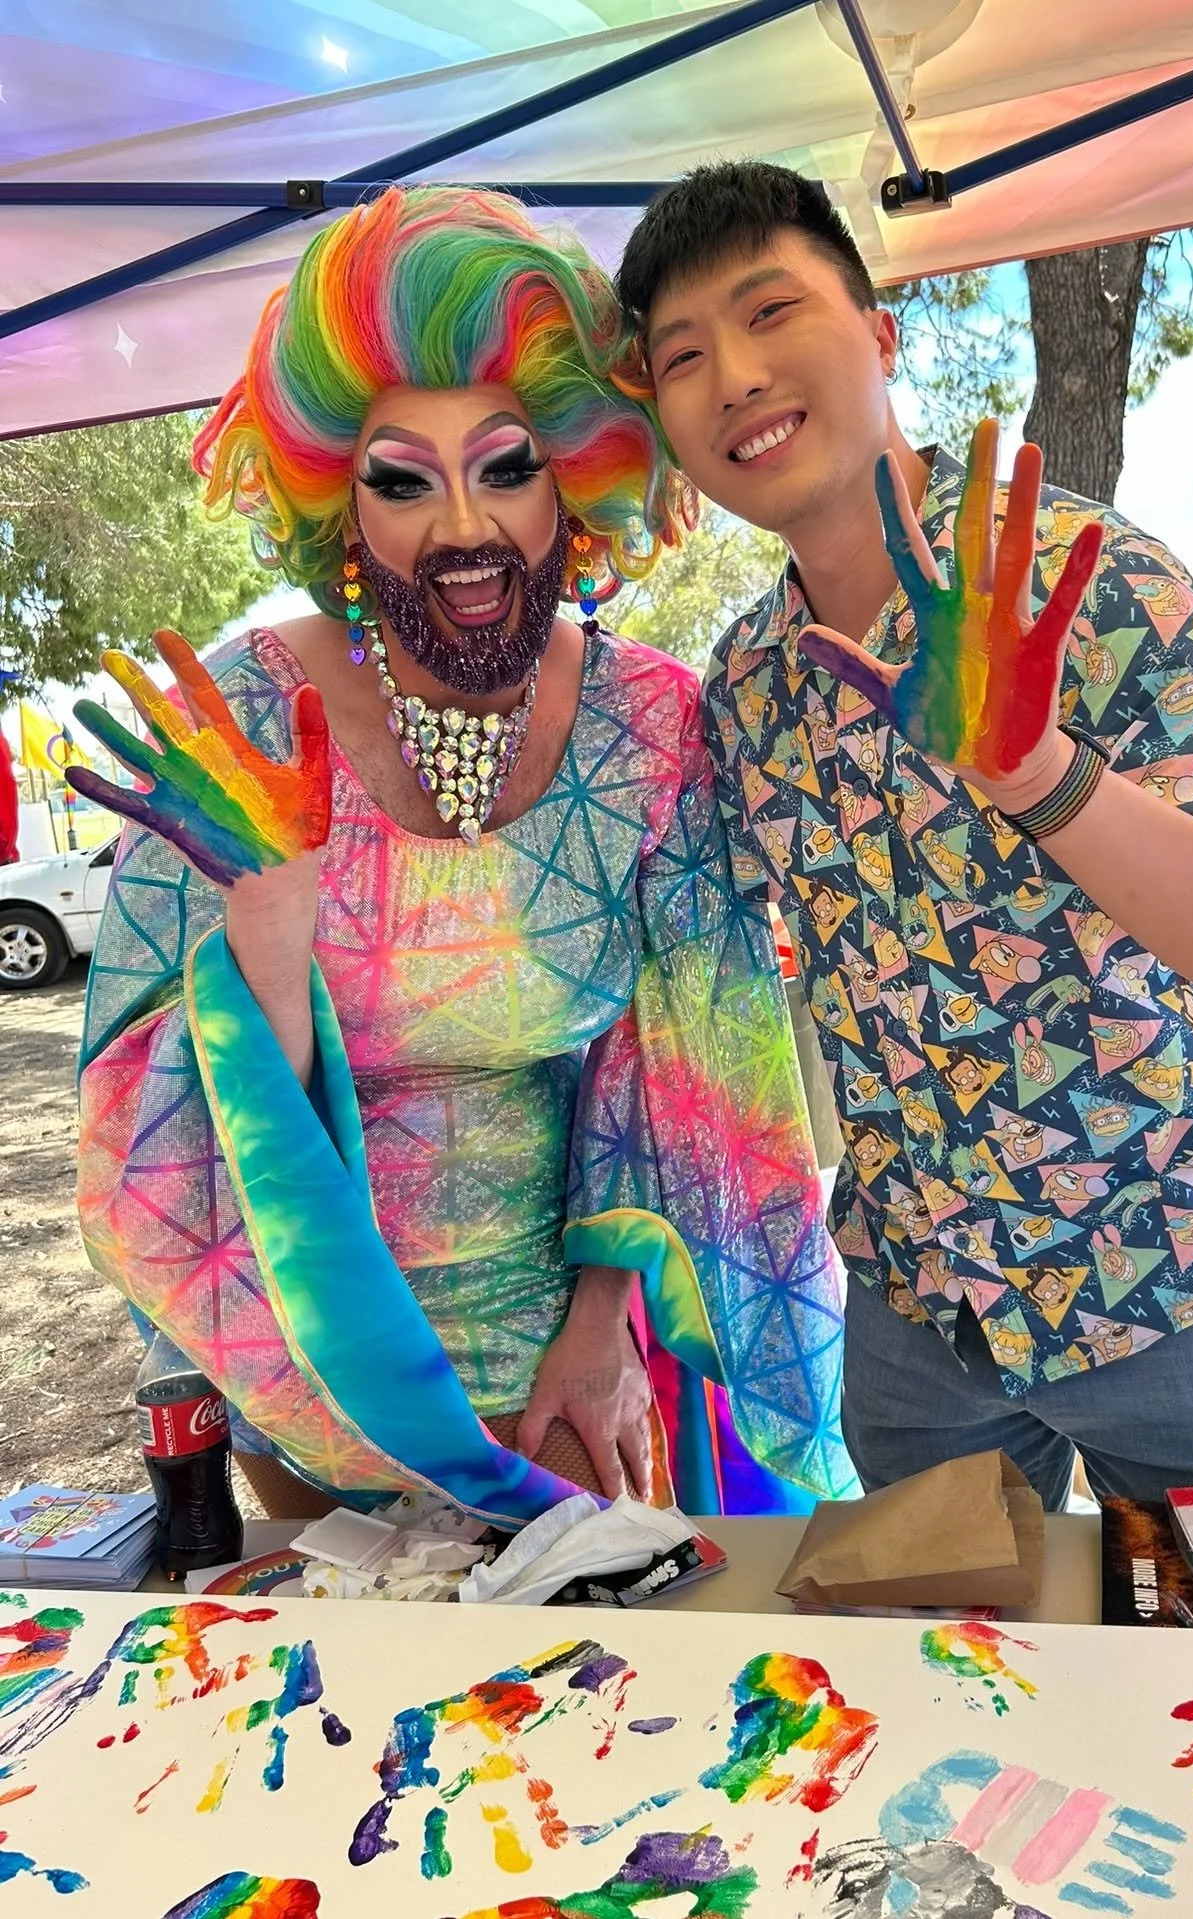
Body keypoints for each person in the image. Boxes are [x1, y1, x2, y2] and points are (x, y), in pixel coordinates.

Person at [69, 184, 854, 1526]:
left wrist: (600, 1329)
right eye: (400, 480)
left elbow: (683, 1072)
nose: (465, 529)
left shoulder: (653, 726)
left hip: (586, 1388)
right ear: (340, 502)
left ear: (577, 471)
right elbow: (166, 1132)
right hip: (318, 1385)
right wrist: (271, 914)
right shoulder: (249, 721)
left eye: (507, 466)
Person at [616, 162, 1193, 1509]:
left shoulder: (1095, 588)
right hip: (926, 1335)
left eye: (771, 309)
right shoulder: (745, 690)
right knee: (946, 1698)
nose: (733, 374)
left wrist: (1037, 771)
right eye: (682, 357)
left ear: (881, 333)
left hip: (1182, 1286)